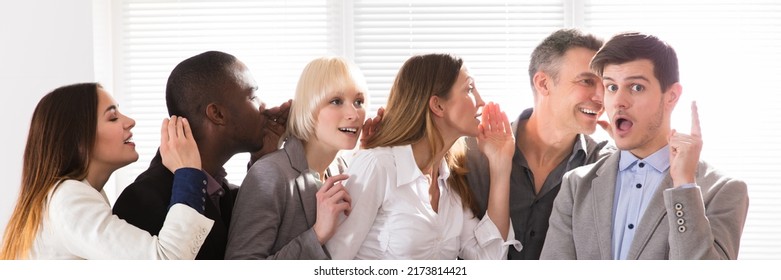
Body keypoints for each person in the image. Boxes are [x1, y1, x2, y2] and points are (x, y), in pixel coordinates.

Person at [540, 32, 749, 259]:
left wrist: (684, 188)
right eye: (611, 87)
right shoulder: (576, 185)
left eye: (636, 87)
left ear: (671, 96)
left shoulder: (723, 191)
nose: (619, 101)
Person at [326, 53, 520, 260]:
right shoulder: (377, 166)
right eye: (470, 89)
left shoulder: (449, 187)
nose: (481, 102)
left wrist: (500, 165)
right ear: (437, 105)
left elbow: (489, 259)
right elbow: (334, 260)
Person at [0, 83, 212, 259]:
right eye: (113, 117)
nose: (130, 122)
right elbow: (164, 261)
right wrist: (188, 173)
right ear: (79, 139)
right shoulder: (70, 199)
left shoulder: (71, 196)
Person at [112, 51, 291, 259]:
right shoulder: (142, 200)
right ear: (217, 114)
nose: (264, 107)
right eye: (252, 96)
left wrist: (262, 160)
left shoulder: (223, 193)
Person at [465, 28, 614, 259]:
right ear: (543, 83)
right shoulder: (471, 154)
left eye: (605, 85)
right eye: (587, 81)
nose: (600, 97)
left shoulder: (605, 164)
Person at [225, 56, 365, 259]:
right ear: (309, 108)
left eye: (359, 102)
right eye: (336, 101)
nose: (354, 114)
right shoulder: (269, 174)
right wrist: (316, 235)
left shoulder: (340, 168)